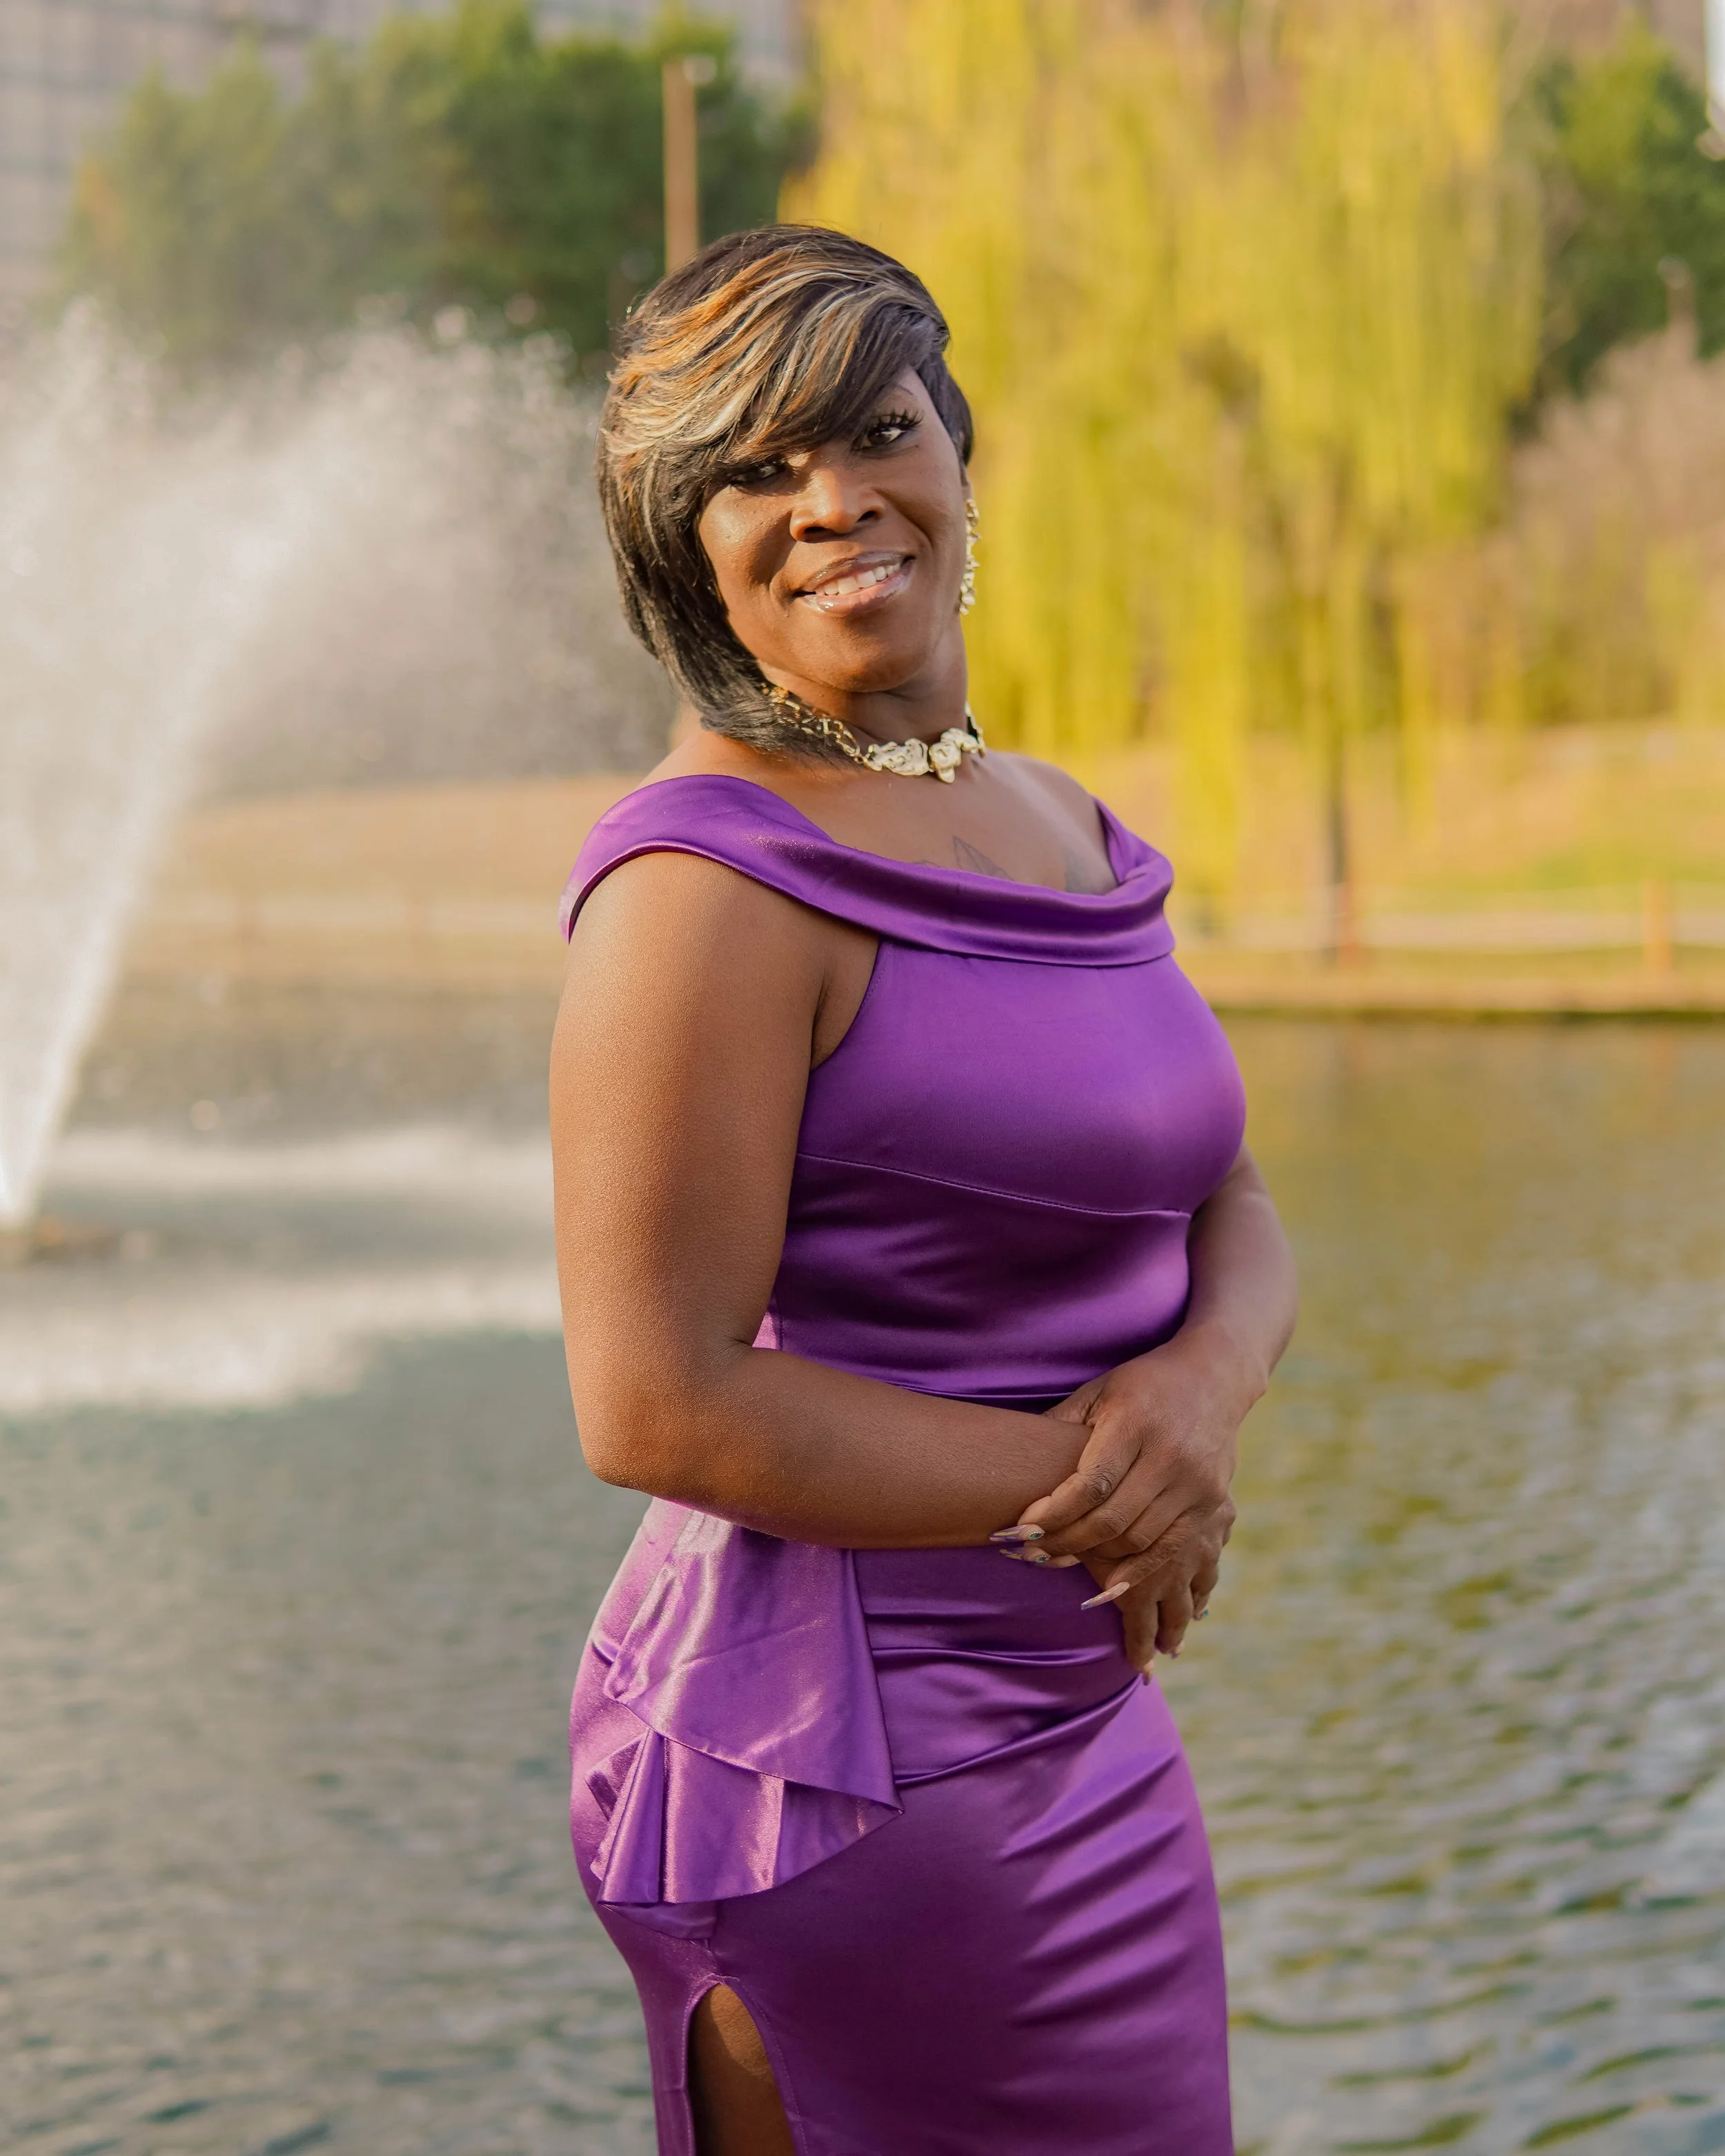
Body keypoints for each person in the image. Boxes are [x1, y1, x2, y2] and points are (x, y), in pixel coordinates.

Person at [549, 224, 1298, 2156]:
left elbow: (1220, 1193)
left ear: (957, 452)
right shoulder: (700, 891)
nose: (830, 504)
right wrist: (1101, 1483)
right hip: (843, 1756)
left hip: (1079, 1696)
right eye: (752, 470)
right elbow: (657, 1395)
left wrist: (1193, 1406)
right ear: (677, 546)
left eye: (873, 427)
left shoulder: (1051, 820)